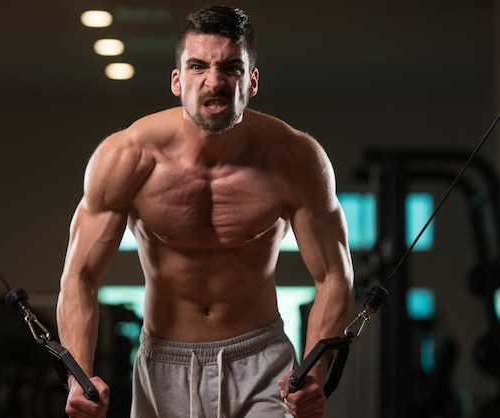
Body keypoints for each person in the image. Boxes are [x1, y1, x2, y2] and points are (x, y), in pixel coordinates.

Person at [56, 5, 354, 418]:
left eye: (231, 68)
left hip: (262, 361)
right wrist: (78, 376)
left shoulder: (295, 158)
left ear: (251, 81)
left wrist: (315, 373)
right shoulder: (128, 157)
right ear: (177, 81)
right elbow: (80, 274)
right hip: (164, 363)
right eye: (198, 66)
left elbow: (334, 276)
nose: (214, 82)